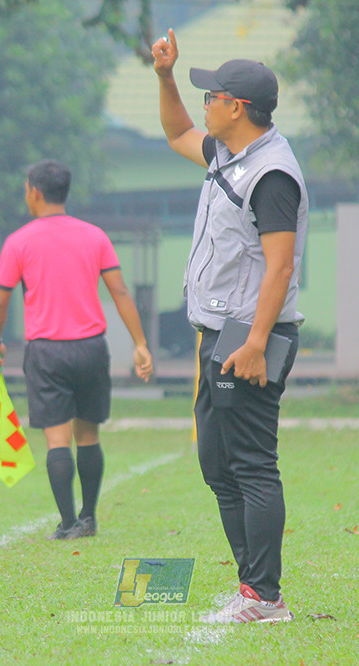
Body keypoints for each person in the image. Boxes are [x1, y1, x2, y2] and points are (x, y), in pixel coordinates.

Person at [151, 30, 308, 623]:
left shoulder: (271, 174)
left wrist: (257, 342)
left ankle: (265, 596)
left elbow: (280, 266)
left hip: (249, 334)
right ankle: (253, 587)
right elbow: (174, 133)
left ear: (236, 107)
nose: (205, 106)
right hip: (218, 333)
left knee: (251, 464)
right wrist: (166, 78)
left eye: (211, 96)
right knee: (216, 463)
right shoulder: (230, 154)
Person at [0, 159, 154, 541]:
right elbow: (120, 292)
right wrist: (140, 344)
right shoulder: (94, 236)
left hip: (47, 352)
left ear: (35, 192)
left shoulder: (19, 241)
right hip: (92, 349)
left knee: (57, 440)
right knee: (89, 435)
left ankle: (67, 523)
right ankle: (89, 517)